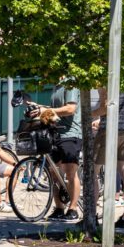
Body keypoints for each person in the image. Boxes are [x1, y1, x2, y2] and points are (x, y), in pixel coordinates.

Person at [93, 88, 124, 229]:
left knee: (93, 173)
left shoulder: (107, 78)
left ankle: (92, 215)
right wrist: (123, 115)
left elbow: (105, 109)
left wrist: (86, 115)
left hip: (106, 132)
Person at [34, 83, 83, 221]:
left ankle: (73, 209)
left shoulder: (71, 83)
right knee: (53, 172)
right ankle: (59, 208)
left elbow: (71, 109)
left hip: (71, 134)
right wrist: (40, 109)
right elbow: (54, 111)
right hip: (56, 134)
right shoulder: (55, 85)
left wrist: (47, 110)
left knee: (70, 172)